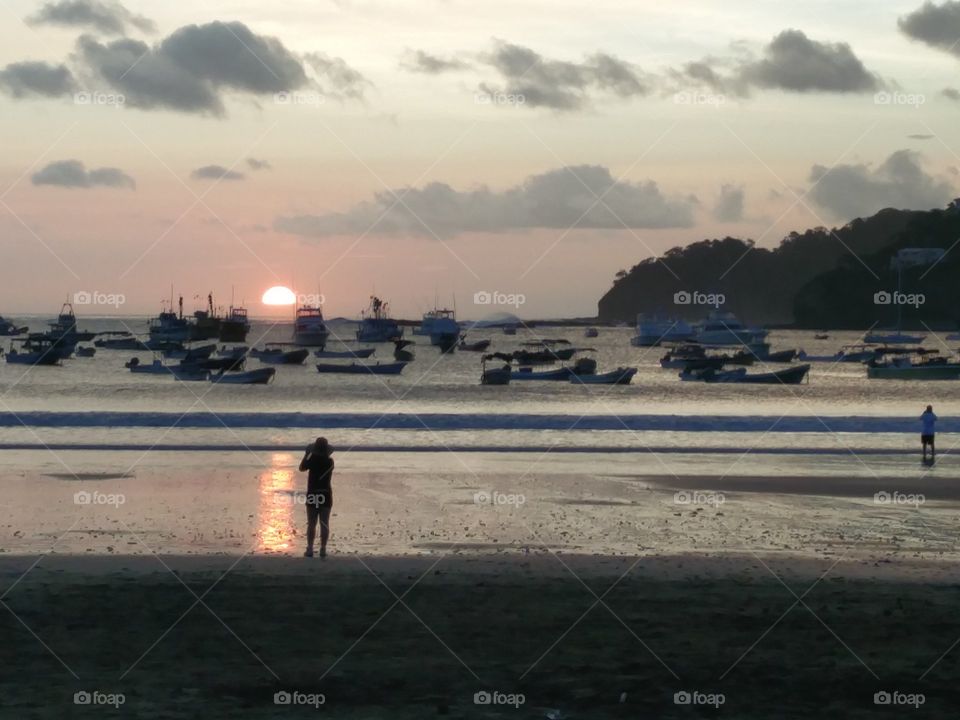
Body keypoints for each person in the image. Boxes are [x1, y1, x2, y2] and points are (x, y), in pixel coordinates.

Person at [299, 437, 334, 558]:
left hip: (313, 493)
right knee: (324, 523)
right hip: (326, 493)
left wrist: (307, 454)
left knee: (312, 523)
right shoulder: (330, 462)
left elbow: (301, 468)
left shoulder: (312, 460)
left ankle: (309, 548)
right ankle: (323, 549)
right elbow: (326, 457)